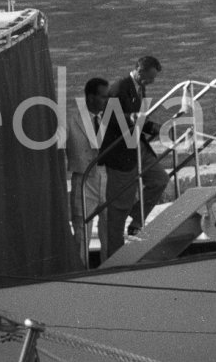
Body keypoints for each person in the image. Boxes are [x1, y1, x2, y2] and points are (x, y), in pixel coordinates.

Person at [98, 55, 167, 256]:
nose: (151, 82)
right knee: (119, 206)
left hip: (137, 145)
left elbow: (139, 118)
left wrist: (153, 126)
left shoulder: (140, 88)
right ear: (139, 70)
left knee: (160, 179)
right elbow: (109, 118)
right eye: (149, 77)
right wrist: (130, 119)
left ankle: (137, 218)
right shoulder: (118, 88)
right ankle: (114, 256)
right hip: (121, 153)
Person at [63, 77, 109, 266]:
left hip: (107, 176)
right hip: (83, 178)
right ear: (90, 97)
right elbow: (59, 146)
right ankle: (81, 271)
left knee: (110, 230)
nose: (106, 101)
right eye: (103, 97)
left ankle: (111, 269)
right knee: (82, 230)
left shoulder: (111, 118)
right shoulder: (70, 118)